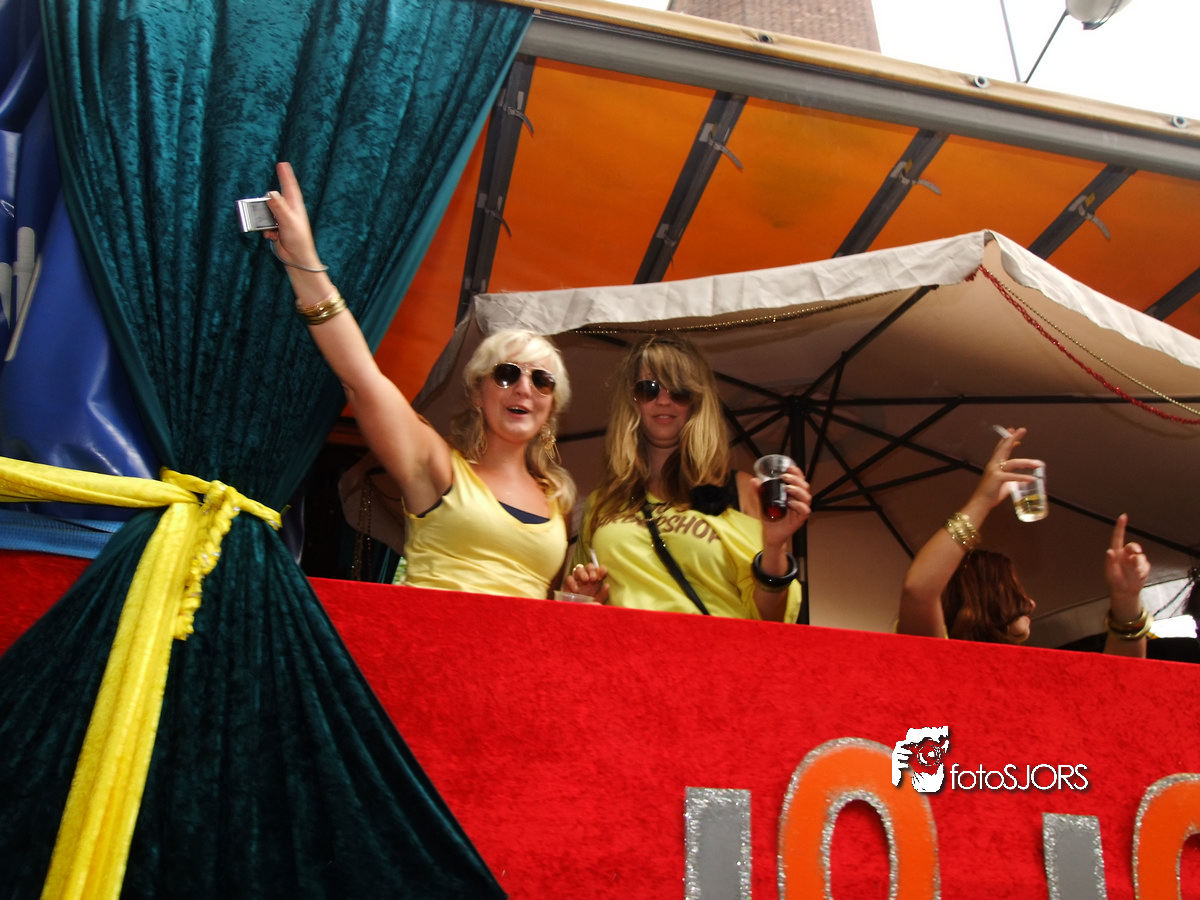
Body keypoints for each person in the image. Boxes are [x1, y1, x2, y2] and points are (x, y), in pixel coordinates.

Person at [264, 162, 574, 598]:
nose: (525, 387)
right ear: (478, 393)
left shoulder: (558, 501)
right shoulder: (436, 465)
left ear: (552, 405)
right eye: (507, 374)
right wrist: (304, 262)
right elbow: (361, 379)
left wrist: (580, 599)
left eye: (542, 380)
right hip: (430, 637)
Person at [565, 333, 810, 621]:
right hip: (623, 646)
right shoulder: (601, 502)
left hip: (713, 647)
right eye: (649, 389)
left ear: (696, 401)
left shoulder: (742, 491)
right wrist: (582, 593)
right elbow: (576, 603)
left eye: (679, 390)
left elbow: (770, 618)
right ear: (631, 400)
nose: (664, 400)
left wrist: (775, 545)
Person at [896, 427, 1150, 657]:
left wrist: (1126, 600)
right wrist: (982, 501)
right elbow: (919, 590)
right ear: (982, 599)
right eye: (1014, 591)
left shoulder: (1034, 674)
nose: (1030, 604)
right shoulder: (938, 658)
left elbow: (1120, 682)